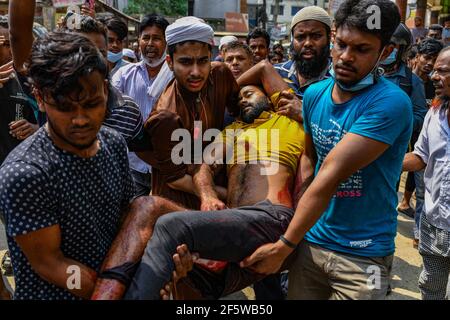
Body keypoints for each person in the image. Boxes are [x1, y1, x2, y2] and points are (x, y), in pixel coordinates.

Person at [239, 0, 412, 300]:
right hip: (311, 243)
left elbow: (330, 174)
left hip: (363, 255)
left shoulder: (390, 104)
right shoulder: (314, 95)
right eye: (342, 44)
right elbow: (310, 158)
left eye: (361, 49)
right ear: (333, 37)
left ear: (385, 53)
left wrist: (284, 244)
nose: (345, 57)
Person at [123, 83, 305, 300]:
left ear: (269, 99)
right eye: (238, 99)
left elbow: (264, 67)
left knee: (170, 226)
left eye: (249, 94)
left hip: (273, 218)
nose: (243, 100)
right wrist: (208, 195)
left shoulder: (290, 122)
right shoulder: (234, 130)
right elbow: (203, 165)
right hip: (237, 227)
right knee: (150, 212)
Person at [0, 32, 138, 300]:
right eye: (64, 107)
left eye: (92, 104)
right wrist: (115, 292)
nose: (80, 119)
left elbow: (126, 218)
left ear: (106, 92)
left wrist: (145, 269)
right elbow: (51, 264)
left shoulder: (114, 142)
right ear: (40, 98)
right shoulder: (25, 172)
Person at [402, 47, 450, 300]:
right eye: (434, 70)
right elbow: (420, 157)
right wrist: (383, 162)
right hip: (434, 223)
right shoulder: (434, 114)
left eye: (442, 71)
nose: (433, 76)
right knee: (430, 286)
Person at [112, 14, 170, 197]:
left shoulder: (176, 76)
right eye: (146, 38)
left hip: (166, 170)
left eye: (157, 38)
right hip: (131, 168)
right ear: (138, 41)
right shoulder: (123, 75)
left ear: (167, 42)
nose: (150, 43)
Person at [379, 24, 427, 244]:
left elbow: (419, 114)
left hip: (392, 150)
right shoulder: (365, 72)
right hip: (361, 144)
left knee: (387, 193)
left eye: (394, 47)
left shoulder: (411, 81)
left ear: (403, 50)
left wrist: (399, 122)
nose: (389, 51)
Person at [413, 38, 444, 102]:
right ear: (417, 57)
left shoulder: (435, 85)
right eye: (427, 58)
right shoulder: (404, 81)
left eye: (435, 60)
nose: (430, 63)